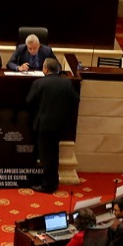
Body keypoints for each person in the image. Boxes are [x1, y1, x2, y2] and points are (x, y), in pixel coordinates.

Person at [26, 57, 78, 194]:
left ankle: (48, 185)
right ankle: (53, 182)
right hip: (59, 124)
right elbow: (75, 99)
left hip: (44, 124)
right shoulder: (66, 82)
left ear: (45, 69)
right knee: (54, 154)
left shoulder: (39, 83)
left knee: (45, 156)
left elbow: (29, 101)